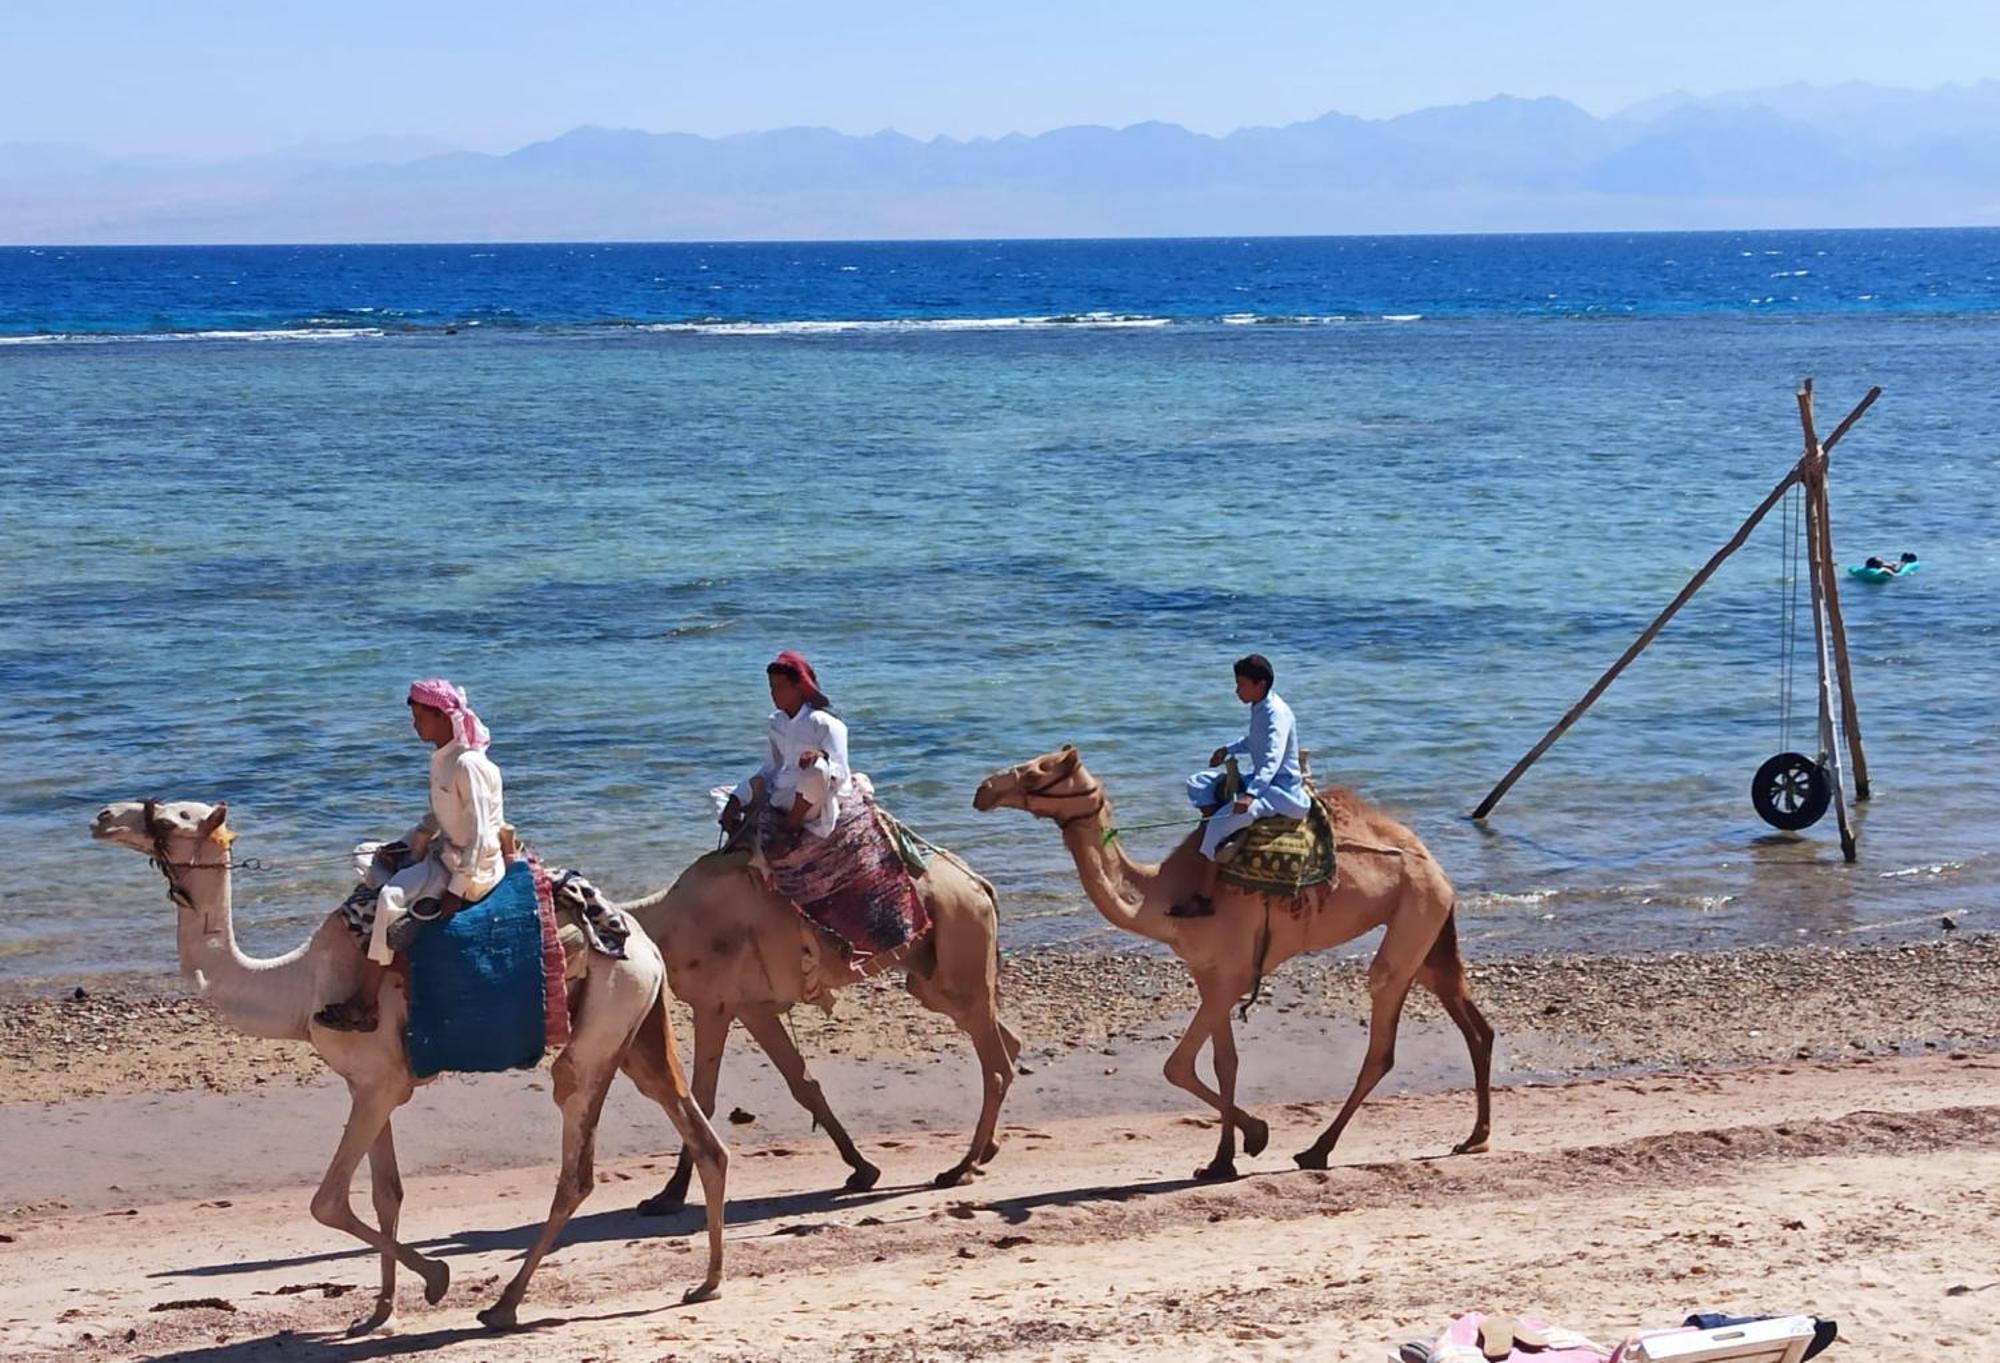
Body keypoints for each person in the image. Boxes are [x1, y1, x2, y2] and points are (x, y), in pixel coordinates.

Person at [314, 678, 506, 1033]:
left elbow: (479, 834)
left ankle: (366, 1002)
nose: (415, 725)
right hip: (442, 853)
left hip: (469, 867)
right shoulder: (444, 760)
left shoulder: (468, 765)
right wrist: (406, 844)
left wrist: (456, 891)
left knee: (389, 898)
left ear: (443, 717)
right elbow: (438, 816)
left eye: (421, 716)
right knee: (365, 853)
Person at [1172, 654, 1311, 918]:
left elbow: (1271, 760)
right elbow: (1254, 741)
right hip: (1260, 781)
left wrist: (1249, 795)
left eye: (1241, 684)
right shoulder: (1260, 706)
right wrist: (1228, 749)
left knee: (1215, 827)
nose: (1237, 690)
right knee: (1198, 783)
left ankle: (1204, 898)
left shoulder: (1276, 714)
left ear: (1259, 684)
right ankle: (1228, 832)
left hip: (1279, 791)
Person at [719, 651, 853, 843]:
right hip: (779, 796)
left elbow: (840, 773)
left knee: (817, 768)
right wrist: (736, 800)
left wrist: (820, 755)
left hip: (811, 802)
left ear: (799, 687)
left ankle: (791, 826)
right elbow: (770, 768)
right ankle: (743, 838)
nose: (774, 693)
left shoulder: (825, 723)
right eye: (771, 687)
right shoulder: (776, 722)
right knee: (722, 796)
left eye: (780, 687)